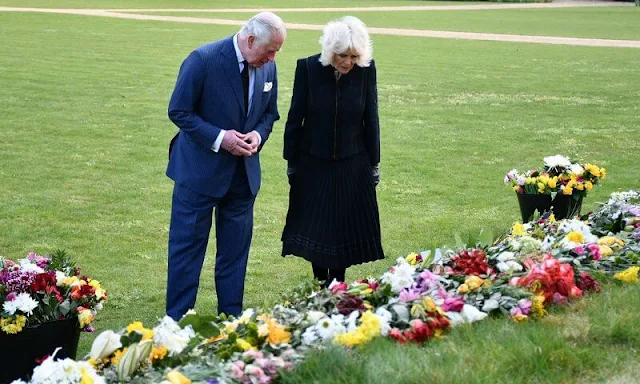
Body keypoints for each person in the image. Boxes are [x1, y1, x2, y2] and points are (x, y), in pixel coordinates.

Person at [166, 12, 286, 320]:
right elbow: (179, 110)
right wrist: (221, 138)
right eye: (270, 50)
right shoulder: (202, 59)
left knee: (235, 256)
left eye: (276, 52)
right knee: (187, 254)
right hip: (198, 176)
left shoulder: (267, 66)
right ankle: (177, 325)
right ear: (249, 40)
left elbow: (269, 114)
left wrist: (258, 135)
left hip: (242, 179)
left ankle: (230, 322)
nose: (273, 58)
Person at [281, 16, 384, 286]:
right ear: (330, 51)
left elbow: (371, 118)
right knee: (318, 226)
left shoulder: (366, 70)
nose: (347, 62)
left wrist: (374, 164)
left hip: (353, 162)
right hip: (314, 161)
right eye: (342, 55)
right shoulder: (307, 68)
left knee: (344, 228)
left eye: (353, 56)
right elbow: (295, 117)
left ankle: (338, 284)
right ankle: (320, 282)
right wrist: (291, 161)